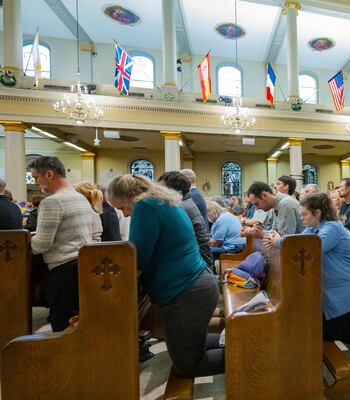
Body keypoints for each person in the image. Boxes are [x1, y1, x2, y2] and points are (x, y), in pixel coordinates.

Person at [107, 175, 224, 378]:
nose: (125, 215)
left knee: (188, 365)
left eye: (123, 207)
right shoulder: (163, 201)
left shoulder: (145, 206)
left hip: (187, 292)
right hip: (195, 288)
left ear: (130, 196)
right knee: (189, 344)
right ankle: (239, 341)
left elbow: (138, 257)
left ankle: (252, 352)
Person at [263, 193, 350, 359]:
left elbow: (310, 247)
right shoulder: (314, 228)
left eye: (304, 214)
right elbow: (300, 240)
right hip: (337, 288)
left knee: (325, 330)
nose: (301, 217)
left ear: (317, 213)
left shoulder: (332, 228)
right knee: (312, 322)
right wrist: (279, 239)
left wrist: (278, 241)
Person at [29, 156, 94, 332]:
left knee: (63, 325)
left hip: (62, 270)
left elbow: (41, 244)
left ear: (49, 174)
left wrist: (27, 242)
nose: (36, 183)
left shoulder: (52, 202)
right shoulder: (80, 197)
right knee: (76, 324)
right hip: (81, 265)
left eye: (36, 177)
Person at [158, 171, 214, 273]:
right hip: (199, 261)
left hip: (197, 264)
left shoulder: (182, 206)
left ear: (174, 191)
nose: (158, 194)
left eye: (162, 190)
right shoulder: (187, 201)